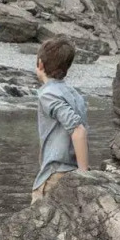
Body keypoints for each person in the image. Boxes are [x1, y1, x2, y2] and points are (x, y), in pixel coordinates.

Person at [31, 37, 88, 203]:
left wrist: (85, 175)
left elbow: (78, 130)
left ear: (40, 64)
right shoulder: (75, 94)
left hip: (54, 176)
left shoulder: (48, 94)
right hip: (70, 172)